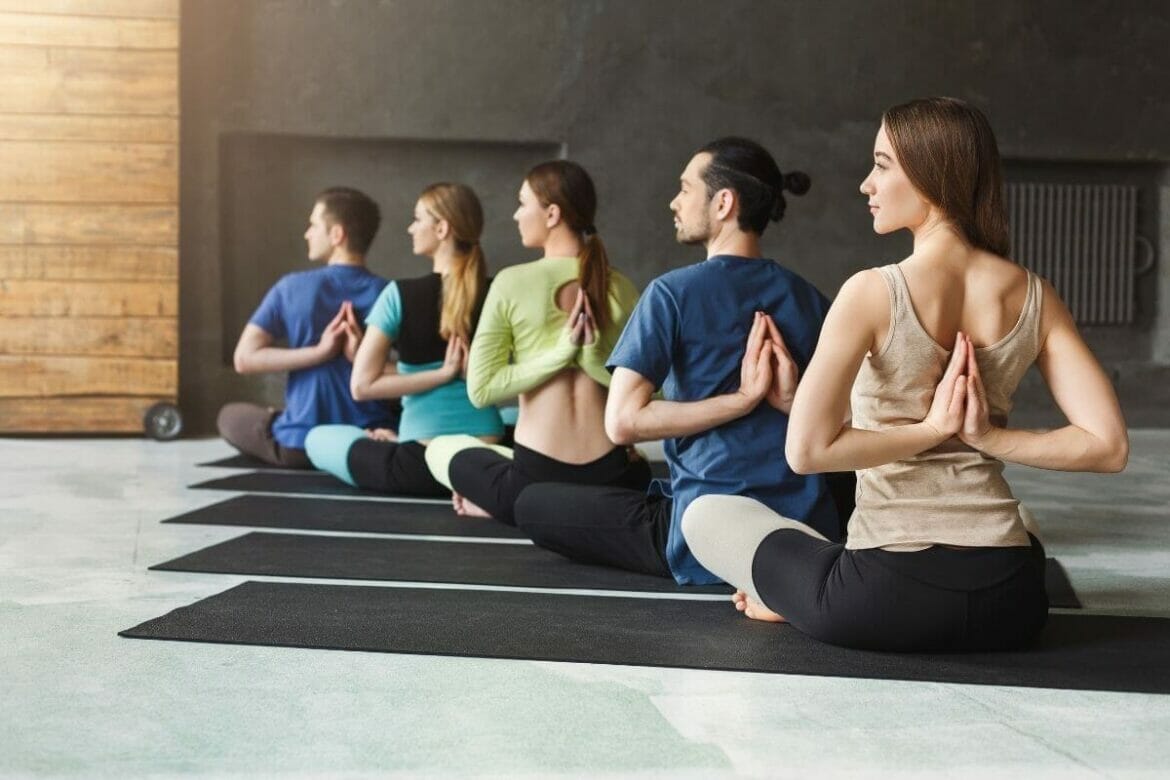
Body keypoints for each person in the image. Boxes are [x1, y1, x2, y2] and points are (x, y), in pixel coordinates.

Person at [683, 98, 1129, 652]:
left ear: (929, 174)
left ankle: (789, 597)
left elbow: (806, 451)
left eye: (882, 165)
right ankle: (801, 588)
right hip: (1010, 604)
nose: (866, 184)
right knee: (1023, 520)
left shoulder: (872, 290)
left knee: (705, 513)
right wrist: (987, 438)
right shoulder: (1035, 294)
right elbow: (1108, 446)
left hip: (883, 601)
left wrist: (930, 431)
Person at [513, 138, 845, 583]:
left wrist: (741, 401)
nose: (675, 202)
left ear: (723, 202)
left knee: (533, 504)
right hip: (807, 530)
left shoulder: (672, 293)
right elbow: (850, 417)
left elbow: (623, 423)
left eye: (686, 189)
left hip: (700, 535)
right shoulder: (811, 301)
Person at [423, 160, 648, 524]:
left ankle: (505, 505)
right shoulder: (623, 287)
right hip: (614, 476)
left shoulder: (511, 282)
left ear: (552, 213)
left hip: (534, 480)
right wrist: (589, 361)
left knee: (441, 448)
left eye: (522, 202)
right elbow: (657, 397)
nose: (515, 214)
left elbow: (481, 389)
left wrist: (563, 354)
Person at [304, 183, 504, 495]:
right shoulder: (501, 293)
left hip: (419, 464)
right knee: (511, 415)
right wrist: (460, 375)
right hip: (487, 459)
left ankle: (401, 439)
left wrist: (441, 375)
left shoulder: (399, 295)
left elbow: (362, 387)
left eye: (417, 219)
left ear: (441, 229)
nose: (411, 228)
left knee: (317, 438)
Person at [217, 187, 395, 468]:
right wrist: (350, 356)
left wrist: (319, 353)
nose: (307, 233)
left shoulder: (291, 287)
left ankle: (283, 418)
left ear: (337, 235)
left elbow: (244, 358)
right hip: (367, 441)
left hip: (300, 445)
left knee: (229, 416)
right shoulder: (390, 294)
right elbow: (416, 372)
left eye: (313, 225)